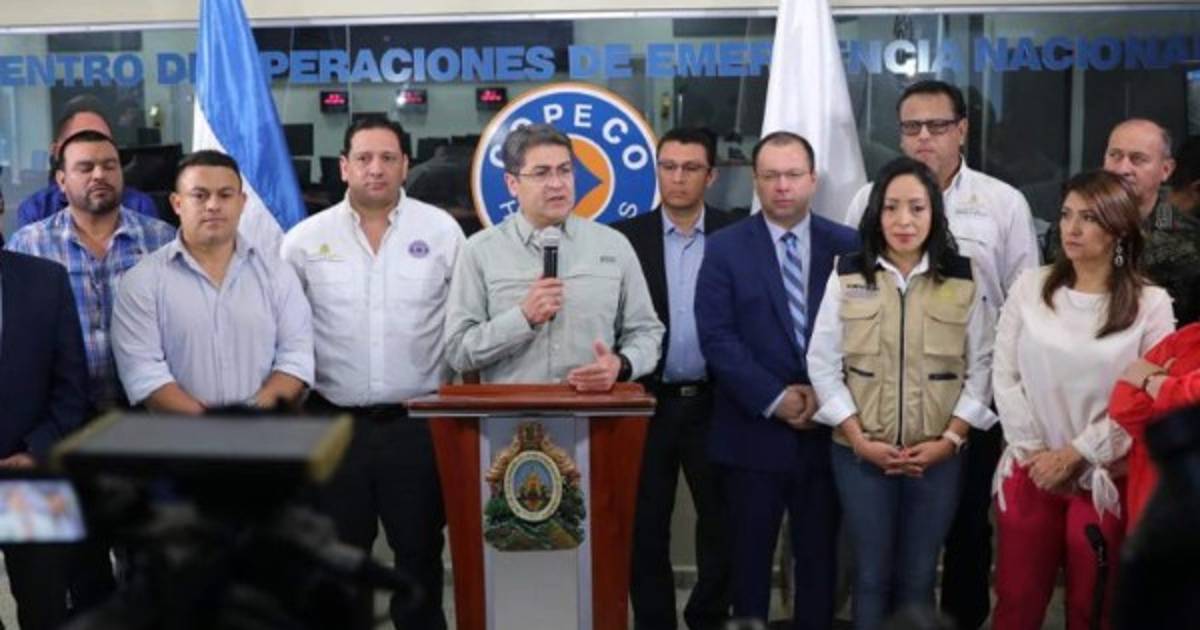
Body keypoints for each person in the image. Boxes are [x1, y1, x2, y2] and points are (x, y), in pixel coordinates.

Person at [844, 80, 1039, 630]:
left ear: (963, 130)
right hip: (884, 400)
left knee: (967, 529)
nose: (924, 137)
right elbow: (849, 295)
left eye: (937, 125)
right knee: (885, 542)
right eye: (912, 127)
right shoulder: (868, 200)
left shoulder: (1003, 204)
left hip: (973, 396)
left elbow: (1023, 304)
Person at [280, 116, 464, 630]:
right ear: (344, 167)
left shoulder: (442, 232)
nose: (375, 169)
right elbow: (284, 334)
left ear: (406, 165)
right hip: (335, 429)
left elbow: (464, 325)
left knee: (420, 555)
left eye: (387, 158)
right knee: (340, 559)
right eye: (363, 158)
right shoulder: (303, 241)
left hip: (418, 427)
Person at [808, 157, 995, 630]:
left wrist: (950, 440)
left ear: (935, 212)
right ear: (876, 213)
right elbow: (822, 363)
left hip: (938, 457)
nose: (903, 220)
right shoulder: (848, 273)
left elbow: (984, 366)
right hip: (860, 454)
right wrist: (857, 438)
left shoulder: (963, 277)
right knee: (870, 576)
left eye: (916, 207)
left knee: (918, 576)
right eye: (891, 208)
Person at [990, 170, 1175, 630]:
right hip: (1029, 466)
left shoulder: (1150, 304)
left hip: (1105, 474)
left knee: (1094, 606)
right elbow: (1004, 374)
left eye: (1088, 218)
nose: (1071, 228)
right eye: (1066, 214)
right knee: (1016, 601)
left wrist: (1077, 454)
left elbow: (1146, 398)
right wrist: (1036, 453)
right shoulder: (1030, 286)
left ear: (1118, 229)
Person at [694, 131, 858, 628]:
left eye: (792, 175)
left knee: (820, 563)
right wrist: (775, 398)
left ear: (813, 180)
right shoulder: (723, 248)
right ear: (755, 180)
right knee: (747, 567)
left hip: (828, 433)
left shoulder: (849, 246)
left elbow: (864, 334)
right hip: (751, 434)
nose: (782, 186)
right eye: (770, 176)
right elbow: (717, 337)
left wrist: (826, 397)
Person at [613, 127, 737, 630]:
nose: (678, 177)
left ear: (711, 176)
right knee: (644, 528)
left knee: (722, 524)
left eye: (690, 168)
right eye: (668, 166)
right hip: (647, 402)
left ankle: (708, 617)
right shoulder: (624, 239)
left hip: (716, 403)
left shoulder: (736, 234)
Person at [444, 123, 663, 388]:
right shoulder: (480, 251)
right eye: (541, 173)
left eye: (565, 170)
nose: (557, 184)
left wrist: (623, 364)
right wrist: (523, 317)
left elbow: (647, 332)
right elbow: (458, 351)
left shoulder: (613, 246)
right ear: (512, 184)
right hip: (513, 410)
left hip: (594, 407)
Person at [112, 150, 313, 413]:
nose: (213, 205)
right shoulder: (141, 282)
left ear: (242, 202)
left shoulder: (278, 275)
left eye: (225, 195)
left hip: (266, 431)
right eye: (200, 195)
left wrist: (250, 418)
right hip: (177, 436)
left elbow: (295, 358)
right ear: (177, 203)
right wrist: (209, 426)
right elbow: (145, 374)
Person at [8, 129, 176, 414]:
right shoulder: (29, 244)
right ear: (61, 181)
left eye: (109, 166)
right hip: (59, 413)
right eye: (85, 168)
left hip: (147, 408)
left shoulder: (161, 239)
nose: (99, 175)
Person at [0, 248, 88, 630]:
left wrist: (38, 450)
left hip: (32, 472)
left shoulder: (46, 279)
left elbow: (72, 386)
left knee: (46, 609)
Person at [17, 98, 159, 227]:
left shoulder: (139, 207)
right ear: (56, 151)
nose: (99, 175)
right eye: (81, 139)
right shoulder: (36, 212)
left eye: (101, 139)